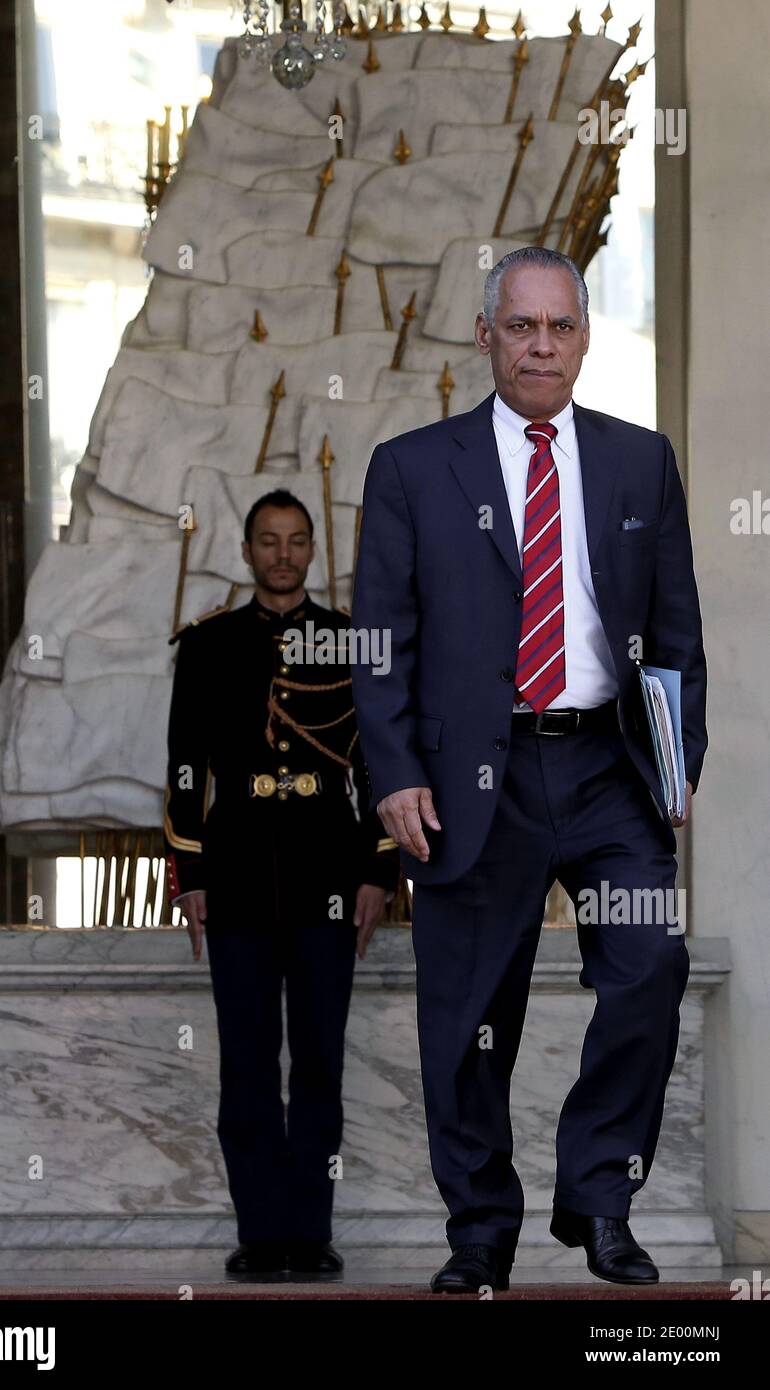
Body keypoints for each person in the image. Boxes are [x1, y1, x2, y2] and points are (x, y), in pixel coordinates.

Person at [350, 246, 707, 1294]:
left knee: (649, 968)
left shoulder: (640, 461)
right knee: (462, 1020)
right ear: (484, 336)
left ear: (583, 338)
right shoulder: (413, 467)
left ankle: (598, 1198)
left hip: (606, 770)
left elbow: (676, 632)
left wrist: (674, 763)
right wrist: (394, 770)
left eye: (558, 328)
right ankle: (479, 1230)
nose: (540, 346)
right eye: (520, 326)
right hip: (469, 781)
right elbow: (381, 639)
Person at [163, 488, 398, 1279]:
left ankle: (311, 1231)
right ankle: (261, 1232)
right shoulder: (208, 646)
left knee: (321, 1063)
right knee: (248, 1063)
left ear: (310, 551)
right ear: (247, 550)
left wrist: (376, 869)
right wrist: (191, 872)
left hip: (328, 876)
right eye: (269, 541)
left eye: (297, 541)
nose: (285, 554)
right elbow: (186, 766)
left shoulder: (348, 643)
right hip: (235, 878)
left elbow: (380, 766)